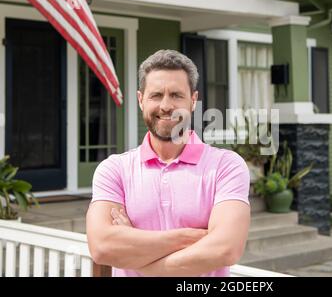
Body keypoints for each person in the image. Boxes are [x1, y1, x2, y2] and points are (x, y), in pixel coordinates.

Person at [86, 49, 251, 277]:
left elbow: (226, 248)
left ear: (193, 101)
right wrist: (192, 237)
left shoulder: (226, 167)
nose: (166, 106)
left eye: (176, 95)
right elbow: (102, 247)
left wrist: (135, 243)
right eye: (156, 95)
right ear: (141, 100)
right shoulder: (114, 170)